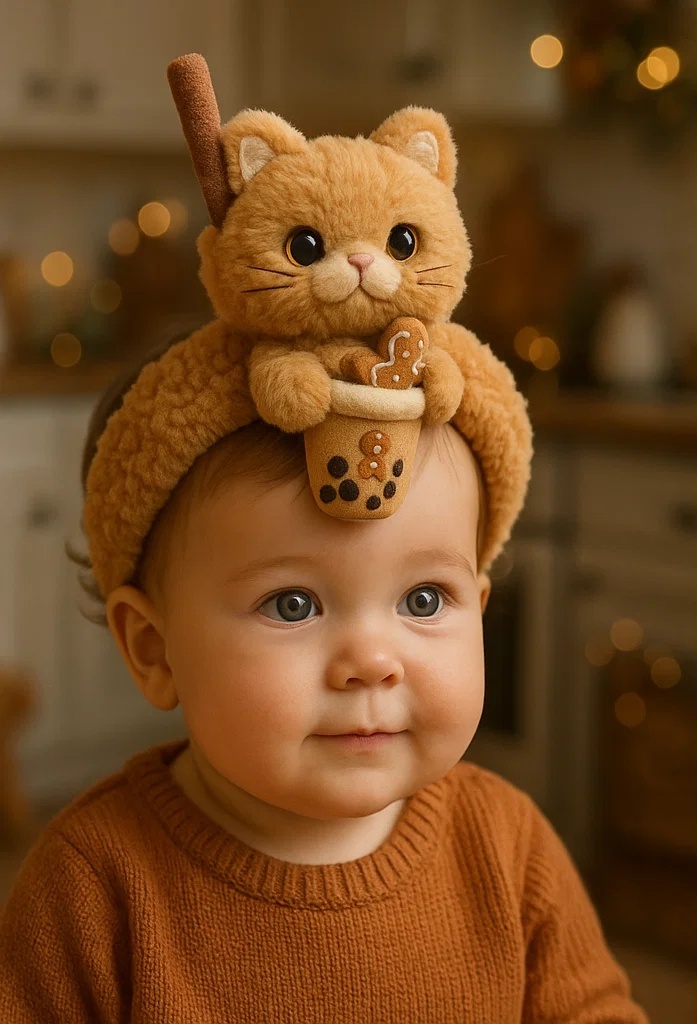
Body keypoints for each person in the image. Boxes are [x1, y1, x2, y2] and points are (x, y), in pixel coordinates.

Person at [0, 328, 648, 1021]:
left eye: (423, 600)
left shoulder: (509, 851)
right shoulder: (92, 887)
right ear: (155, 651)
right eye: (292, 604)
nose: (372, 662)